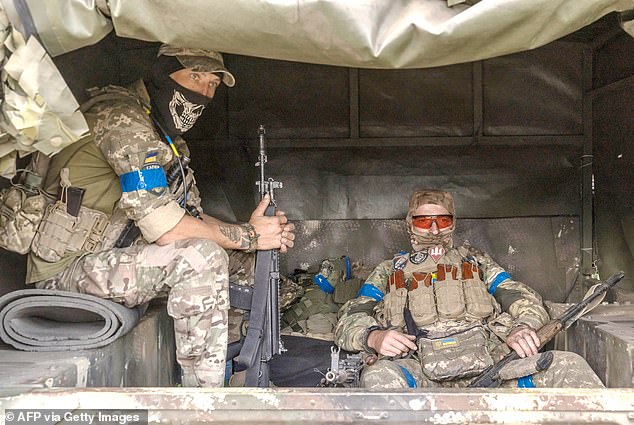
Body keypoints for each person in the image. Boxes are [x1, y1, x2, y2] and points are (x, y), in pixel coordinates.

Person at [26, 45, 295, 387]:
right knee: (200, 258)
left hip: (117, 260)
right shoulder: (121, 117)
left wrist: (255, 235)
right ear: (161, 74)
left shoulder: (167, 139)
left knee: (244, 261)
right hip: (69, 269)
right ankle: (204, 401)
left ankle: (240, 376)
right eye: (195, 76)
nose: (203, 91)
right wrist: (252, 235)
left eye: (212, 83)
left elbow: (191, 219)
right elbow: (166, 229)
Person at [334, 189, 604, 388]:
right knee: (378, 378)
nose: (434, 229)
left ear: (453, 223)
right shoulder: (389, 270)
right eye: (424, 221)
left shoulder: (475, 261)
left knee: (568, 366)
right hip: (417, 370)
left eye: (442, 220)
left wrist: (524, 327)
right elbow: (350, 318)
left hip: (495, 363)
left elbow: (522, 297)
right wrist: (374, 337)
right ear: (409, 224)